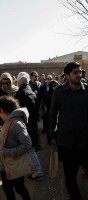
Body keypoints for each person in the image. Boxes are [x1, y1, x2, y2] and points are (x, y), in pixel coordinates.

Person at [49, 62, 88, 200]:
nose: (79, 75)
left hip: (85, 141)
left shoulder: (86, 90)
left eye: (80, 72)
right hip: (67, 142)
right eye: (75, 73)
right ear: (67, 75)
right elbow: (53, 113)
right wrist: (52, 134)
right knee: (70, 176)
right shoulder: (59, 91)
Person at [0, 95, 31, 200]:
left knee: (16, 188)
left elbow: (27, 144)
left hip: (12, 164)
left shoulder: (16, 123)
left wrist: (7, 152)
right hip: (8, 163)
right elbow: (10, 139)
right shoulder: (10, 121)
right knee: (12, 188)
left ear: (2, 110)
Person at [15, 72, 43, 181]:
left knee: (30, 149)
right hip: (32, 124)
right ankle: (34, 171)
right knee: (30, 149)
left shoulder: (20, 94)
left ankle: (38, 172)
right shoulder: (31, 91)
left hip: (26, 126)